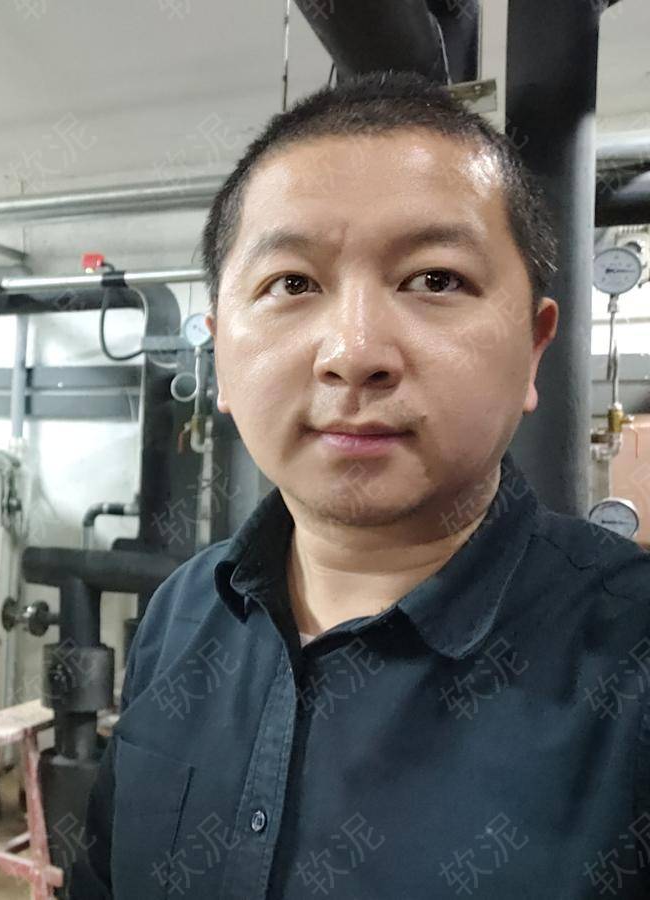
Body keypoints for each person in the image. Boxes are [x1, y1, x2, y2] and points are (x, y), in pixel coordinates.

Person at [71, 71, 650, 899]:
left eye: (435, 279)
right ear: (222, 355)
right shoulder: (182, 614)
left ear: (533, 347)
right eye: (292, 284)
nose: (355, 352)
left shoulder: (630, 660)